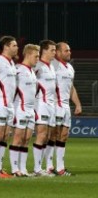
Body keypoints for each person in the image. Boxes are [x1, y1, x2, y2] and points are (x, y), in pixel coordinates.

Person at [0, 36, 19, 178]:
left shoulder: (12, 63)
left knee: (5, 136)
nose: (17, 48)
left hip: (10, 105)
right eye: (14, 45)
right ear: (6, 46)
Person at [50, 42, 82, 176]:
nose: (69, 52)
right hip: (55, 105)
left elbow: (71, 88)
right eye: (66, 50)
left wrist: (78, 104)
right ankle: (49, 167)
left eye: (69, 50)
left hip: (65, 107)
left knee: (64, 136)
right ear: (57, 52)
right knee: (53, 135)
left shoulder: (69, 68)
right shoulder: (52, 66)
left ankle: (60, 168)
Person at [9, 44, 40, 177]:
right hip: (20, 108)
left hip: (30, 110)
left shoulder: (32, 71)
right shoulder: (18, 70)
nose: (37, 59)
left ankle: (23, 168)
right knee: (18, 137)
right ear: (27, 54)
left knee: (26, 139)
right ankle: (15, 169)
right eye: (36, 56)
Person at [32, 40, 57, 177]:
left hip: (51, 106)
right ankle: (37, 168)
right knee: (41, 135)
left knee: (49, 136)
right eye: (52, 50)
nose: (54, 52)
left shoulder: (52, 67)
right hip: (40, 104)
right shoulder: (38, 66)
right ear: (44, 51)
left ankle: (48, 166)